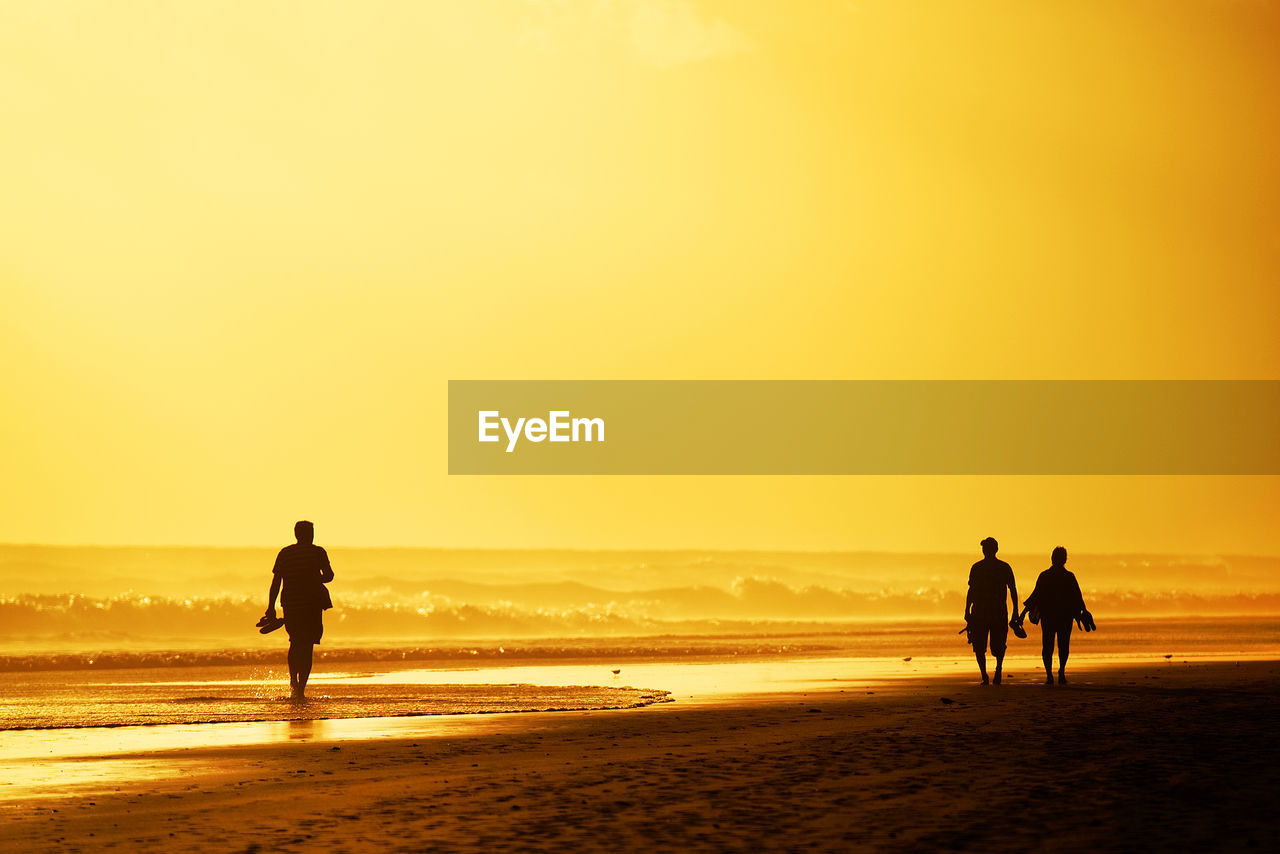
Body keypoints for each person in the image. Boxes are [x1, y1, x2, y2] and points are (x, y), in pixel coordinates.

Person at [264, 520, 334, 701]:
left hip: (290, 604)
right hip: (312, 604)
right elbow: (329, 576)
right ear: (310, 534)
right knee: (307, 645)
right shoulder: (318, 552)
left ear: (296, 534)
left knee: (295, 643)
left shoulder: (285, 553)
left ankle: (293, 683)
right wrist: (314, 577)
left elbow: (275, 583)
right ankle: (301, 688)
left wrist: (271, 607)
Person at [1020, 546, 1086, 685]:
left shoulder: (1045, 576)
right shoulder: (1069, 576)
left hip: (1049, 617)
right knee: (1063, 646)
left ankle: (1050, 675)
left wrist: (1023, 613)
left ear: (1052, 558)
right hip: (1064, 617)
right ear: (1065, 560)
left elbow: (1035, 596)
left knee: (1048, 646)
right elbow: (1078, 598)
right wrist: (1083, 612)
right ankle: (1061, 672)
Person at [964, 537, 1019, 686]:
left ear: (992, 550)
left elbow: (1012, 589)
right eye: (984, 549)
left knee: (988, 646)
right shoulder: (1002, 567)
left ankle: (990, 673)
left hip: (988, 613)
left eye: (986, 549)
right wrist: (1015, 611)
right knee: (988, 645)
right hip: (991, 612)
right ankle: (990, 673)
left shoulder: (981, 567)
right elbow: (972, 590)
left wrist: (967, 610)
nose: (985, 551)